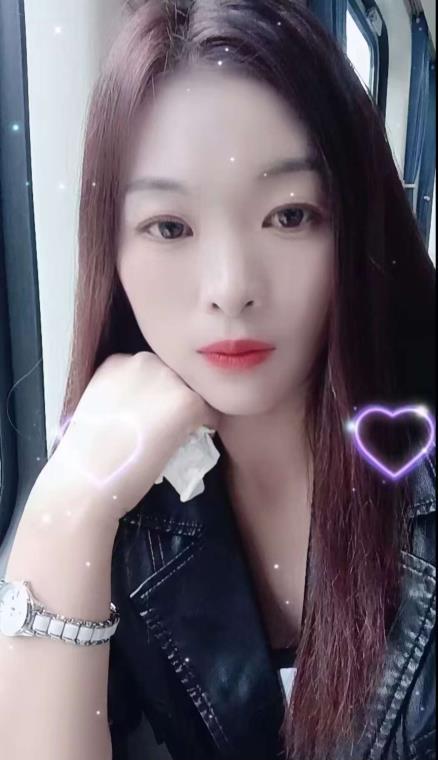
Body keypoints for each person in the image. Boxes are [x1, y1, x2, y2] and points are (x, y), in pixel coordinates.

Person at [0, 1, 435, 759]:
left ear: (355, 223)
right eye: (170, 227)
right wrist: (63, 517)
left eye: (290, 216)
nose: (230, 288)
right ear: (112, 252)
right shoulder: (125, 498)